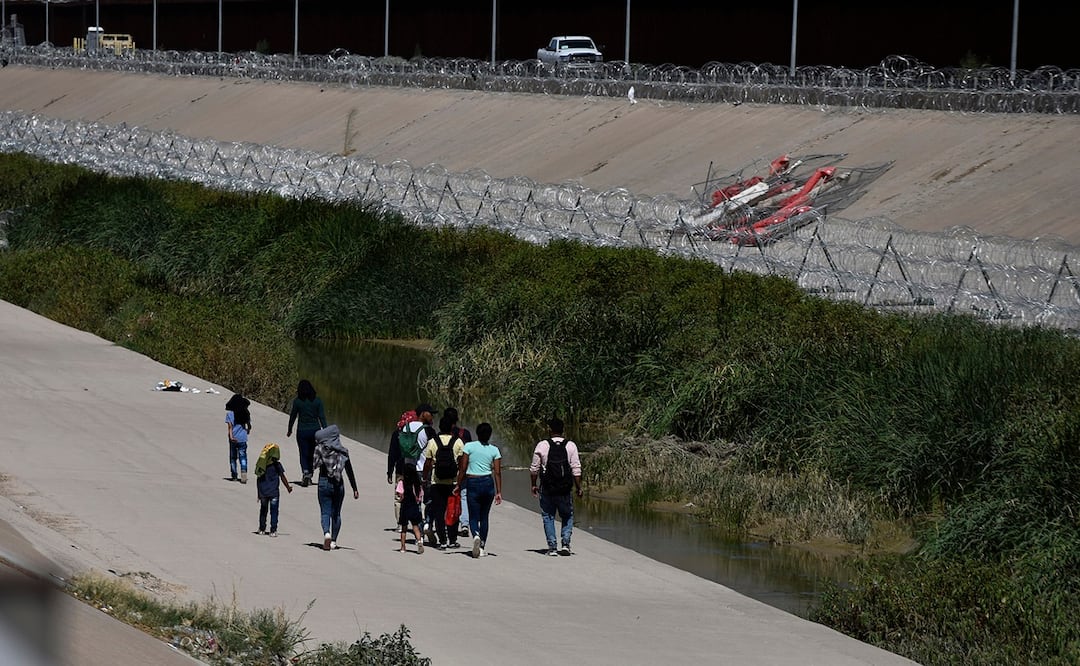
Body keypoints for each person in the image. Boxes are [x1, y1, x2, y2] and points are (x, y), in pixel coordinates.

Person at [529, 417, 583, 556]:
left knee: (548, 516)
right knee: (567, 515)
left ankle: (552, 547)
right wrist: (579, 487)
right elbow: (576, 469)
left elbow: (534, 468)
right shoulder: (571, 445)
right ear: (562, 430)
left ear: (550, 430)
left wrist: (534, 485)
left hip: (547, 487)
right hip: (564, 488)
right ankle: (565, 544)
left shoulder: (542, 445)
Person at [455, 422, 502, 558]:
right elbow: (497, 472)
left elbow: (463, 468)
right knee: (484, 517)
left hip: (472, 482)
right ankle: (482, 546)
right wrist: (498, 491)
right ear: (489, 435)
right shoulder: (494, 450)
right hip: (487, 483)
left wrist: (458, 484)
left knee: (473, 516)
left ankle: (475, 534)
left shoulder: (469, 446)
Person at [312, 424, 359, 551]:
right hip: (338, 484)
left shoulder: (320, 448)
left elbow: (314, 464)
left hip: (323, 482)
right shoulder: (342, 451)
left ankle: (326, 533)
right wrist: (355, 488)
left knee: (325, 512)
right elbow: (349, 470)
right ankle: (333, 541)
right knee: (336, 513)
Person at [422, 414, 465, 550]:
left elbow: (428, 463)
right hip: (452, 483)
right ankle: (452, 540)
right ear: (452, 427)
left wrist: (425, 478)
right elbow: (462, 464)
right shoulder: (458, 442)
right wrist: (459, 482)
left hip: (437, 482)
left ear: (439, 427)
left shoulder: (433, 442)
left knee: (439, 512)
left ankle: (442, 541)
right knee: (453, 512)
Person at [404, 404, 438, 544]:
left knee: (414, 501)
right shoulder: (429, 431)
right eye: (430, 413)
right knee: (429, 499)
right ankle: (427, 524)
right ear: (423, 414)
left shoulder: (406, 427)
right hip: (424, 470)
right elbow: (435, 450)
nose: (432, 416)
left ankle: (419, 531)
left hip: (408, 469)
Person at [286, 379, 327, 487]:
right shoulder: (317, 401)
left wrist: (289, 429)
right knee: (313, 454)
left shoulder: (297, 401)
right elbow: (322, 417)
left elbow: (293, 416)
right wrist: (326, 431)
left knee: (303, 453)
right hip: (315, 431)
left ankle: (305, 472)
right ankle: (310, 474)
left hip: (302, 431)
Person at [443, 407, 473, 538]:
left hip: (446, 470)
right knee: (464, 496)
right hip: (463, 469)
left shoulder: (443, 434)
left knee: (447, 496)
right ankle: (465, 524)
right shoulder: (464, 433)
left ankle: (446, 521)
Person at [254, 442, 293, 536]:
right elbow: (282, 477)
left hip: (263, 492)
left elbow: (258, 479)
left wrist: (259, 493)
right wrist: (288, 487)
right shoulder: (277, 465)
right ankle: (273, 530)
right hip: (274, 492)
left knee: (263, 510)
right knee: (274, 511)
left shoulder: (262, 465)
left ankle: (262, 529)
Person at [386, 408, 416, 524]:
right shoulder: (416, 433)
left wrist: (389, 471)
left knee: (399, 496)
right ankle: (416, 521)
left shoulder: (397, 433)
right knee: (414, 495)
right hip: (414, 469)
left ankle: (400, 522)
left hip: (400, 470)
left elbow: (392, 454)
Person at [397, 465, 425, 554]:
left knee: (404, 528)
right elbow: (420, 496)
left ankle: (403, 547)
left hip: (405, 506)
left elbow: (399, 494)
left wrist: (400, 499)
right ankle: (419, 542)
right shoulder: (417, 484)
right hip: (414, 506)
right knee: (415, 526)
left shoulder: (402, 483)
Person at [225, 393, 252, 484]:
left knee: (233, 457)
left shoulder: (230, 414)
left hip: (233, 438)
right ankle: (243, 472)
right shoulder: (245, 413)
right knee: (243, 456)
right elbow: (249, 426)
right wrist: (247, 430)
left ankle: (234, 475)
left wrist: (231, 437)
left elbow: (230, 427)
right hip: (243, 438)